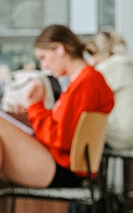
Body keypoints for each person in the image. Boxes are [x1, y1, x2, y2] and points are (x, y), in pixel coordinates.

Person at [0, 25, 114, 188]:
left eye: (44, 57)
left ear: (60, 49)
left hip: (63, 168)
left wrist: (35, 107)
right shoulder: (87, 80)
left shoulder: (86, 82)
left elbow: (60, 139)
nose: (44, 65)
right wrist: (32, 113)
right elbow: (65, 128)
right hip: (66, 165)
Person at [87, 28, 133, 149]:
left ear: (104, 52)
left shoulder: (111, 67)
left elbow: (88, 97)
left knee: (83, 127)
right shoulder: (132, 65)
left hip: (125, 137)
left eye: (93, 54)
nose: (91, 61)